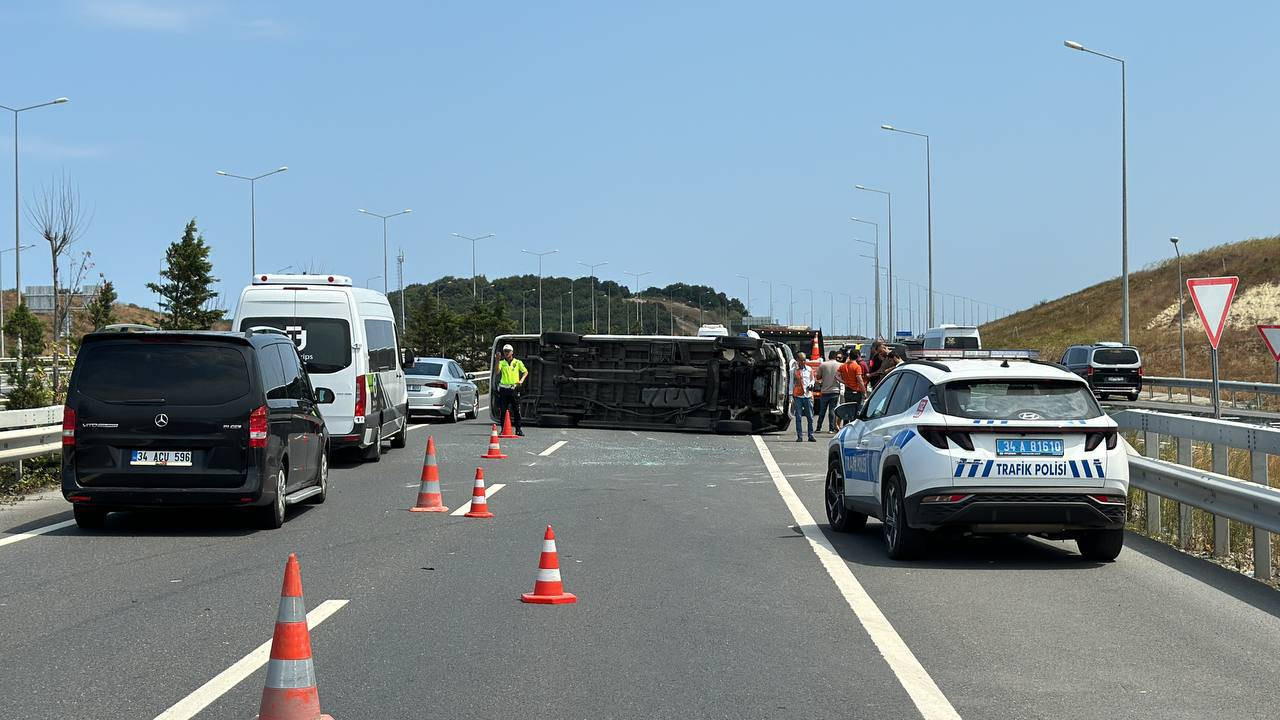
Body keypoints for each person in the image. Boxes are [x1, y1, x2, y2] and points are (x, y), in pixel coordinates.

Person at [493, 343, 528, 436]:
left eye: (508, 351)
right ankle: (503, 429)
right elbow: (497, 372)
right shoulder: (501, 363)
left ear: (512, 352)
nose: (506, 353)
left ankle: (518, 429)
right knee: (503, 410)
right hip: (504, 389)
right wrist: (497, 360)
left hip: (513, 388)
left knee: (516, 410)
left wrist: (521, 380)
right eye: (505, 351)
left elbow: (525, 372)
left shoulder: (517, 362)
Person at [814, 350, 842, 433]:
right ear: (836, 356)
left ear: (828, 356)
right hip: (835, 390)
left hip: (825, 390)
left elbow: (818, 377)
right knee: (832, 410)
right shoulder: (840, 365)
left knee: (822, 410)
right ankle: (831, 428)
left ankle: (818, 427)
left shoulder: (823, 365)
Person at [791, 347, 815, 442]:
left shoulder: (809, 369)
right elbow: (791, 383)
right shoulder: (794, 370)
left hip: (808, 396)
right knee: (798, 417)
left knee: (810, 417)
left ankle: (811, 435)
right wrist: (790, 395)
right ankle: (799, 436)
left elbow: (812, 379)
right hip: (798, 396)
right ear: (797, 360)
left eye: (804, 360)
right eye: (801, 360)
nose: (803, 362)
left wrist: (811, 384)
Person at [838, 348, 867, 414]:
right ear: (857, 356)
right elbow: (860, 380)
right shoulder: (857, 367)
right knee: (855, 412)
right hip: (856, 392)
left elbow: (836, 376)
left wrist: (844, 382)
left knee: (847, 411)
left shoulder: (843, 366)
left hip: (847, 391)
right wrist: (864, 391)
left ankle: (845, 424)